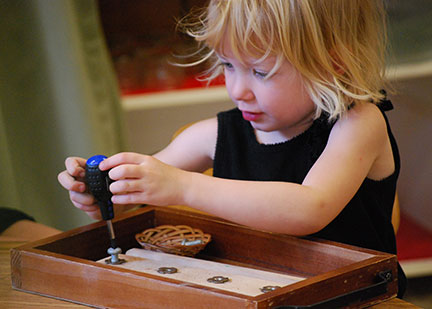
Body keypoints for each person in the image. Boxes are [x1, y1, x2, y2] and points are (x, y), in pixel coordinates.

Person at [58, 0, 406, 297]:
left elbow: (309, 209)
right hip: (256, 290)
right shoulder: (212, 134)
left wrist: (183, 186)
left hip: (356, 296)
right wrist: (104, 191)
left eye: (260, 71)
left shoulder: (358, 124)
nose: (238, 89)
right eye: (228, 65)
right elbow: (135, 197)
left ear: (332, 64)